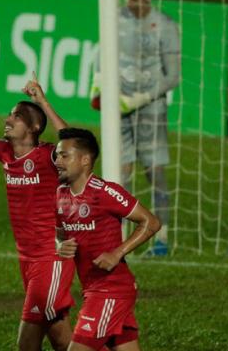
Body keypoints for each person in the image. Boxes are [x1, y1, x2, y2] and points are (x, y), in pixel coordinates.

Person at [0, 62, 76, 351]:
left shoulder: (50, 156)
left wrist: (42, 101)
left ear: (34, 127)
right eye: (10, 114)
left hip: (52, 257)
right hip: (27, 259)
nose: (9, 119)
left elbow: (73, 143)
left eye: (17, 115)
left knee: (26, 343)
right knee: (62, 340)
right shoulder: (6, 154)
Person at [90, 0, 180, 256]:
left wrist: (141, 98)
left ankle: (162, 238)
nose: (135, 2)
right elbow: (100, 57)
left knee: (156, 173)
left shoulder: (165, 26)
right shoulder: (115, 20)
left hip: (151, 109)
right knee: (121, 173)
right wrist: (97, 87)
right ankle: (119, 237)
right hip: (120, 107)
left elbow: (173, 76)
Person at [54, 127, 161, 351]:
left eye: (64, 155)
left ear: (84, 160)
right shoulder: (60, 194)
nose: (57, 160)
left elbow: (151, 223)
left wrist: (117, 253)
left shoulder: (104, 192)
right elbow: (61, 233)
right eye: (57, 155)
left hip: (110, 290)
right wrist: (60, 245)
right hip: (91, 288)